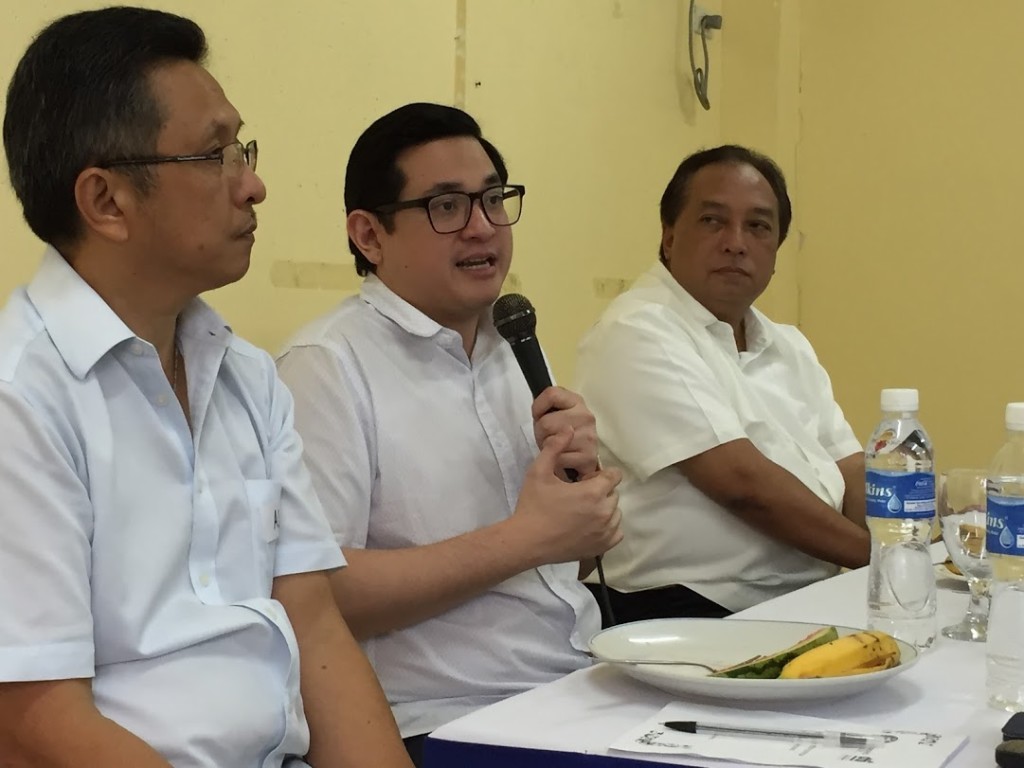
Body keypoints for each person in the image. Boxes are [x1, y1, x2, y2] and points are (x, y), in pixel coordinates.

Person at [0, 8, 411, 767]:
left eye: (241, 148)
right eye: (214, 155)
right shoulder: (21, 398)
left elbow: (315, 626)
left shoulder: (245, 374)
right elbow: (35, 717)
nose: (252, 185)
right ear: (107, 201)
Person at [276, 102, 623, 765]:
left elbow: (566, 566)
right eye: (446, 207)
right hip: (445, 719)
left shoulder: (511, 344)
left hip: (579, 683)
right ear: (369, 235)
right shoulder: (326, 366)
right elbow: (318, 594)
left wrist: (585, 508)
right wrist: (528, 536)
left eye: (493, 199)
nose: (482, 227)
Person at [575, 145, 869, 625]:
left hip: (803, 599)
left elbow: (849, 466)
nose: (736, 242)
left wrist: (916, 542)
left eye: (758, 226)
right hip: (682, 612)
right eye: (713, 221)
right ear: (669, 236)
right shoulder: (637, 329)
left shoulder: (788, 343)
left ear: (776, 251)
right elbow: (743, 486)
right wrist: (881, 560)